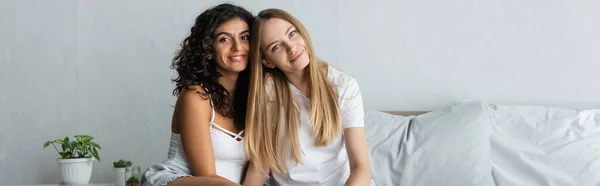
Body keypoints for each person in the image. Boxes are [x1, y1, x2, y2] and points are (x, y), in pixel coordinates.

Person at [242, 8, 373, 186]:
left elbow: (361, 166)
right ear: (268, 61)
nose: (291, 47)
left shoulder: (342, 86)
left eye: (292, 34)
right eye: (276, 46)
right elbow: (260, 165)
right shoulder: (267, 93)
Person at [141, 3, 253, 186]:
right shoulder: (197, 95)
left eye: (245, 37)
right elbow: (207, 176)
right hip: (183, 180)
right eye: (224, 39)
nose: (237, 47)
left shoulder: (256, 97)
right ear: (208, 49)